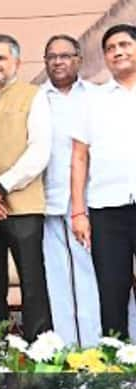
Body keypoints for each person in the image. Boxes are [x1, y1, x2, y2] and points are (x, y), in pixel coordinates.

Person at [0, 34, 53, 341]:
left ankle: (39, 351)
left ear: (17, 61)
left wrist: (0, 188)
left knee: (32, 282)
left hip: (24, 205)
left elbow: (39, 150)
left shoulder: (34, 95)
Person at [71, 24, 136, 341]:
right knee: (112, 290)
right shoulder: (91, 100)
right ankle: (117, 364)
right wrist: (79, 212)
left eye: (124, 44)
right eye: (110, 48)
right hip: (106, 209)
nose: (117, 52)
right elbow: (79, 157)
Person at [41, 35, 103, 347]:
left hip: (94, 200)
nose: (58, 62)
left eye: (65, 56)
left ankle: (106, 346)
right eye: (51, 57)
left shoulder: (98, 95)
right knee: (60, 279)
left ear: (79, 59)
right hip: (50, 200)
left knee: (95, 275)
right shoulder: (37, 99)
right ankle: (71, 349)